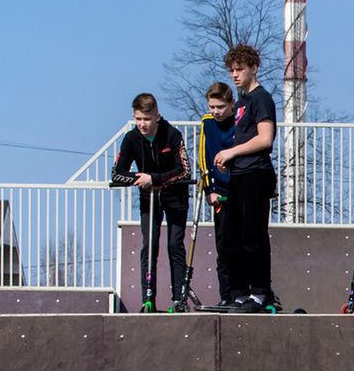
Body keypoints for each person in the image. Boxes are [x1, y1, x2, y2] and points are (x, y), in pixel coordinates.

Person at [212, 44, 279, 314]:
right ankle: (238, 293)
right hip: (239, 175)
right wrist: (229, 160)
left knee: (253, 237)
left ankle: (260, 293)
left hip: (256, 174)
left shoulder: (261, 99)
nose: (235, 75)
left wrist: (233, 151)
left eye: (240, 69)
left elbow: (265, 138)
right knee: (231, 238)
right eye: (232, 70)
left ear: (254, 67)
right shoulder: (240, 103)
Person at [111, 93, 190, 312]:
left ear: (157, 116)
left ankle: (178, 299)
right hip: (149, 199)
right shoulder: (131, 138)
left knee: (174, 245)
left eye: (146, 119)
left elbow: (184, 170)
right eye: (138, 119)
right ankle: (148, 298)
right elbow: (117, 173)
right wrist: (140, 179)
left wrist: (155, 179)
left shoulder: (172, 135)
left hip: (175, 196)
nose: (142, 124)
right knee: (150, 245)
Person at [197, 82, 238, 306]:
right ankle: (226, 296)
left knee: (242, 244)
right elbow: (203, 156)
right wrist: (209, 189)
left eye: (220, 106)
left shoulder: (240, 120)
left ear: (231, 104)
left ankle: (246, 294)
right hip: (219, 192)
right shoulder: (207, 123)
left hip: (239, 189)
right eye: (212, 106)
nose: (216, 111)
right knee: (223, 247)